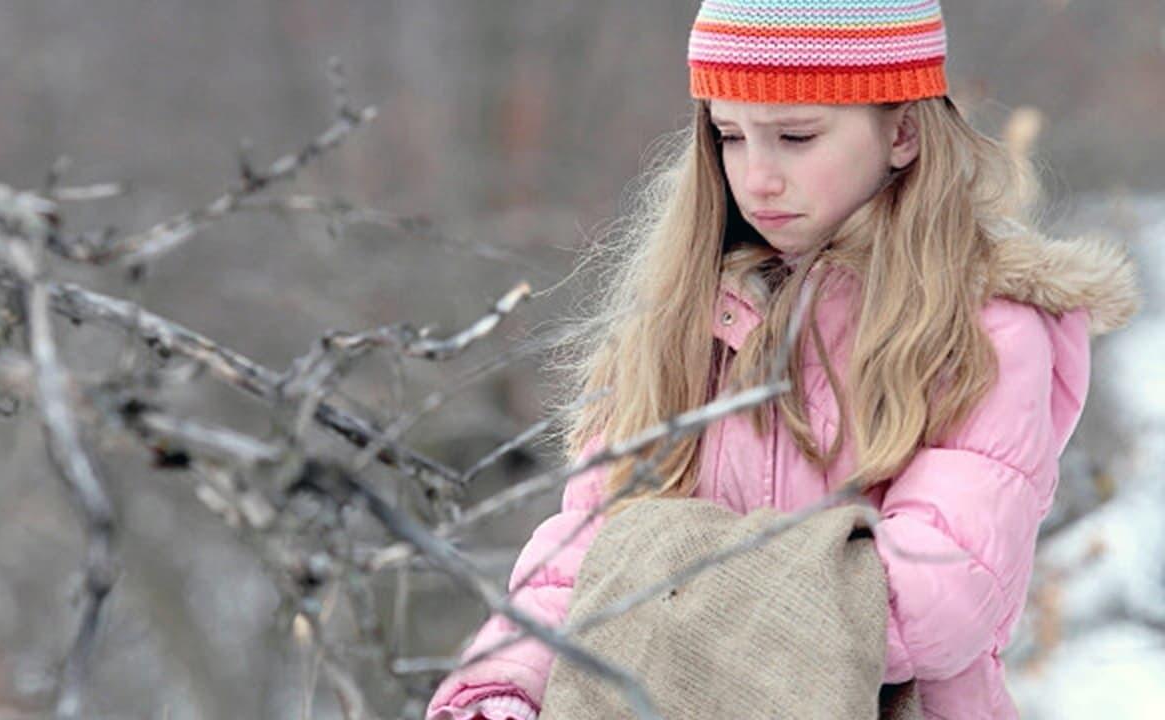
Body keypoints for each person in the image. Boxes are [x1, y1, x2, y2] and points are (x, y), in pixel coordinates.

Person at [427, 1, 1141, 718]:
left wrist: (658, 564)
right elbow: (584, 560)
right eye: (729, 136)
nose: (756, 177)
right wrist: (502, 686)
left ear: (903, 131)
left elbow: (935, 604)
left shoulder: (986, 328)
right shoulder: (686, 314)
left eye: (796, 136)